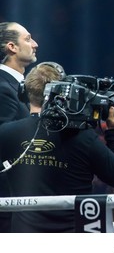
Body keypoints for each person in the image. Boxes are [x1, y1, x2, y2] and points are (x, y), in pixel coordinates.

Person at [0, 63, 114, 232]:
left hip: (24, 240)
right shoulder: (82, 137)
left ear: (24, 92)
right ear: (64, 93)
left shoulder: (6, 133)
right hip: (72, 239)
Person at [0, 22, 38, 232]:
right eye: (27, 38)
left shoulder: (15, 86)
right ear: (12, 47)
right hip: (8, 202)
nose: (34, 44)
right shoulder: (3, 87)